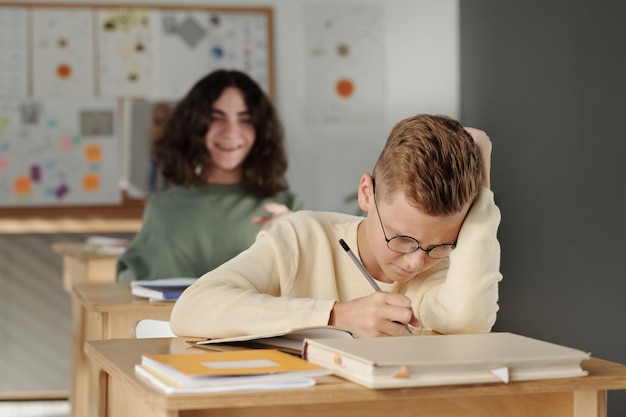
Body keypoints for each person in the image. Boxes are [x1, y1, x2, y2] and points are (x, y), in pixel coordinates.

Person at [170, 114, 501, 337]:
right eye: (402, 239)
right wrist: (336, 316)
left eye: (442, 243)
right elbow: (192, 309)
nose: (416, 261)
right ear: (366, 194)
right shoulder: (303, 237)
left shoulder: (440, 269)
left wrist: (482, 200)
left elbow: (468, 319)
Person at [117, 70, 303, 282]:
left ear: (261, 131)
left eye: (245, 119)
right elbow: (131, 284)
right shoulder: (162, 209)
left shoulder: (286, 207)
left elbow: (311, 287)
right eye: (216, 118)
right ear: (194, 126)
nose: (231, 132)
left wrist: (294, 239)